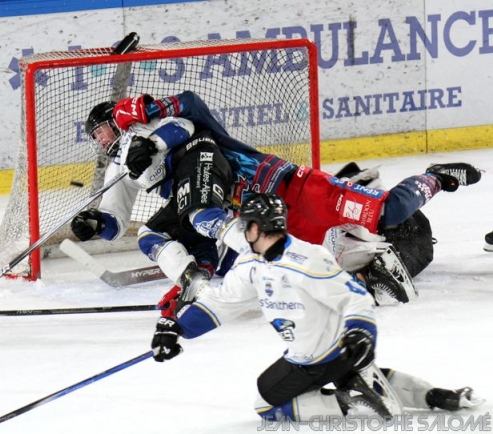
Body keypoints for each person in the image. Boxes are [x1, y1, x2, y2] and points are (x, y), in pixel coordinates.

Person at [110, 91, 482, 303]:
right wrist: (193, 278)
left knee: (391, 211)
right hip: (280, 224)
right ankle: (373, 262)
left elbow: (189, 102)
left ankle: (435, 177)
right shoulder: (183, 191)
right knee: (318, 278)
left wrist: (147, 111)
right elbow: (199, 235)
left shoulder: (202, 141)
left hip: (300, 190)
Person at [150, 193, 482, 421]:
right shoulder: (254, 261)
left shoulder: (308, 260)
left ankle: (349, 402)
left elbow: (355, 297)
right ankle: (437, 396)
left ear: (254, 228)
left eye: (244, 223)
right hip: (343, 349)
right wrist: (176, 329)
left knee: (266, 402)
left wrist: (361, 335)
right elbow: (221, 302)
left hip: (319, 355)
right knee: (348, 369)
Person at [72, 97, 234, 288]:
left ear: (114, 123)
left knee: (199, 215)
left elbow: (184, 125)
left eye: (100, 131)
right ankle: (196, 276)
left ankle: (241, 235)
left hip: (205, 169)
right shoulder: (117, 169)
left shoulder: (143, 125)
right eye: (95, 137)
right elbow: (115, 223)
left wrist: (150, 144)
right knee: (150, 236)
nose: (99, 140)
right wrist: (95, 224)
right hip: (182, 200)